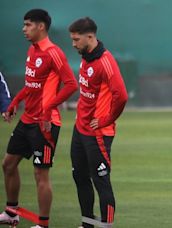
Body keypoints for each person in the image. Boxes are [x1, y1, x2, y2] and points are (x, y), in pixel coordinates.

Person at [0, 9, 78, 228]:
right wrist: (15, 102)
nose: (24, 29)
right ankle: (11, 212)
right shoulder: (32, 50)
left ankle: (43, 224)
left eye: (28, 25)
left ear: (41, 26)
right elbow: (31, 84)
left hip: (46, 123)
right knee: (8, 164)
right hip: (28, 119)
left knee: (40, 173)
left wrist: (49, 106)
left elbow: (71, 84)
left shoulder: (53, 52)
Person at [68, 17, 128, 228]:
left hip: (98, 134)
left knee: (101, 181)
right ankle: (87, 224)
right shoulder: (86, 56)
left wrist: (106, 120)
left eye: (76, 39)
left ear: (90, 37)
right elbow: (89, 92)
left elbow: (121, 96)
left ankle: (106, 226)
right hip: (80, 131)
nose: (73, 44)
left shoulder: (105, 61)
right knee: (80, 178)